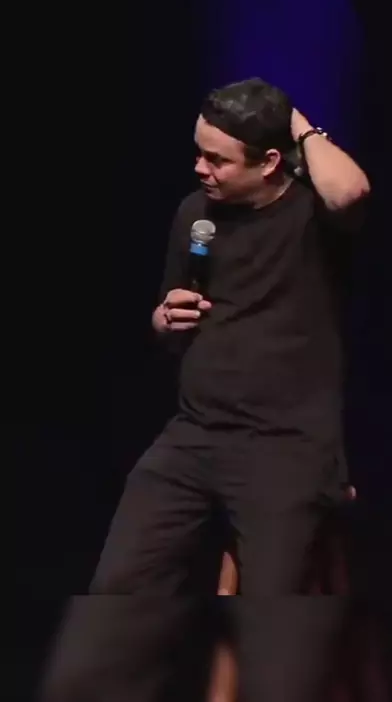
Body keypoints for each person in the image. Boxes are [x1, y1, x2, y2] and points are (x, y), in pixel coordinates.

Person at [40, 78, 370, 702]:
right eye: (198, 152)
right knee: (116, 598)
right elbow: (168, 322)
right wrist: (164, 319)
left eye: (217, 158)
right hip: (193, 438)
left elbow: (350, 189)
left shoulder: (312, 214)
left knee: (275, 639)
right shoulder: (195, 214)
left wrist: (299, 125)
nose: (200, 168)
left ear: (268, 161)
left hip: (284, 448)